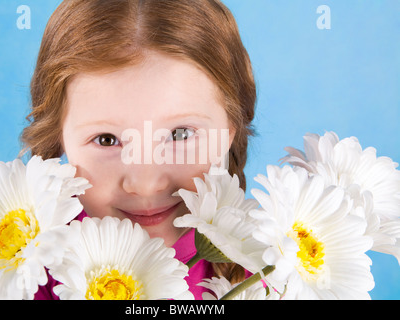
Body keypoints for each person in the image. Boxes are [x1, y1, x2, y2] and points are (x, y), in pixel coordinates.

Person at [21, 0, 257, 300]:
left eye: (180, 134)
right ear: (58, 139)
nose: (145, 183)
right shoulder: (27, 276)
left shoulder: (272, 276)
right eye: (107, 139)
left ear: (230, 131)